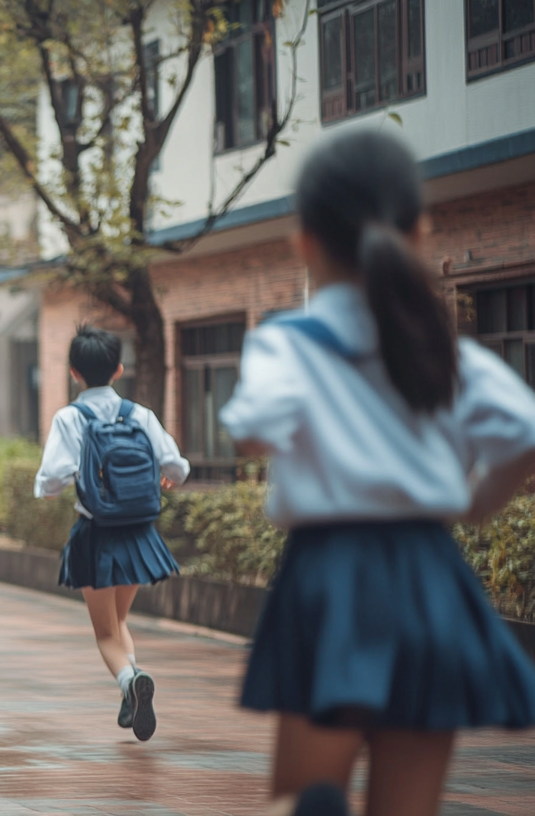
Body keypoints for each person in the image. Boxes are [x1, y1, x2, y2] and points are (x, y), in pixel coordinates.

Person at [219, 128, 535, 816]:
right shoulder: (445, 353)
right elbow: (526, 432)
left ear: (303, 240)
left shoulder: (291, 344)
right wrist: (477, 504)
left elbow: (250, 431)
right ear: (420, 231)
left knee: (301, 798)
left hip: (329, 578)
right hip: (428, 575)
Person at [34, 325, 188, 742]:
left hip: (96, 534)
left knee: (105, 631)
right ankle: (133, 687)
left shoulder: (70, 418)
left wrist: (64, 483)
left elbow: (50, 482)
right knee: (119, 620)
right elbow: (177, 467)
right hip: (140, 534)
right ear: (119, 369)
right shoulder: (140, 415)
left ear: (73, 372)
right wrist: (163, 478)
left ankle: (128, 681)